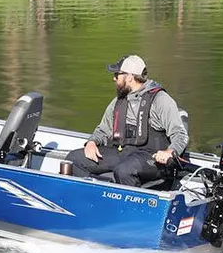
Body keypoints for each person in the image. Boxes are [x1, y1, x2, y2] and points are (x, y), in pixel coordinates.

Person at [66, 55, 189, 187]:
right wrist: (91, 142)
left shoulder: (160, 100)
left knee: (124, 170)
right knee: (73, 160)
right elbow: (102, 130)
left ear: (129, 77)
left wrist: (169, 152)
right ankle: (91, 199)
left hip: (152, 159)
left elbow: (180, 135)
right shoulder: (118, 102)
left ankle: (132, 205)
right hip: (123, 153)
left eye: (117, 75)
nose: (114, 78)